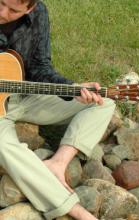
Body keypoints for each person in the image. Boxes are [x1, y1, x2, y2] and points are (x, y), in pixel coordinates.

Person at [0, 0, 115, 219]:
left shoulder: (39, 14)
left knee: (103, 101)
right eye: (1, 2)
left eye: (13, 10)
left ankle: (57, 163)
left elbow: (41, 67)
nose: (3, 13)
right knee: (3, 146)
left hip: (24, 94)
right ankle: (74, 209)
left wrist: (72, 89)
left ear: (29, 9)